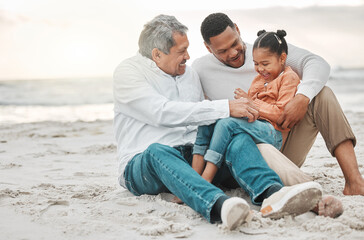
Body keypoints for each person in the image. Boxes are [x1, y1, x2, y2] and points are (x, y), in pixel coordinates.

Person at [113, 14, 323, 230]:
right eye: (181, 51)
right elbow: (161, 112)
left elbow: (200, 122)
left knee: (237, 138)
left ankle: (271, 193)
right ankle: (219, 205)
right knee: (157, 151)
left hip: (193, 160)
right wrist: (226, 107)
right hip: (143, 165)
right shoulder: (128, 73)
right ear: (157, 55)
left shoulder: (189, 74)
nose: (188, 55)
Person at [192, 12, 364, 197]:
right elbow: (193, 113)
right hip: (244, 151)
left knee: (323, 94)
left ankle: (354, 182)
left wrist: (302, 97)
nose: (233, 53)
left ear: (238, 29)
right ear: (208, 49)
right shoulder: (201, 69)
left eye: (234, 44)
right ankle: (302, 191)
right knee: (240, 136)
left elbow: (317, 63)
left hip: (281, 139)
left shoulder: (264, 51)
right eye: (222, 51)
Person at [192, 29, 299, 183]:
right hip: (256, 127)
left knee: (226, 124)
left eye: (265, 64)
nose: (260, 69)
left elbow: (281, 114)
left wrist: (251, 102)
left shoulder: (289, 77)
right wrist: (244, 108)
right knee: (208, 121)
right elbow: (254, 111)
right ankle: (194, 174)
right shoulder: (259, 79)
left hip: (273, 133)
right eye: (256, 64)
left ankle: (205, 179)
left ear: (282, 58)